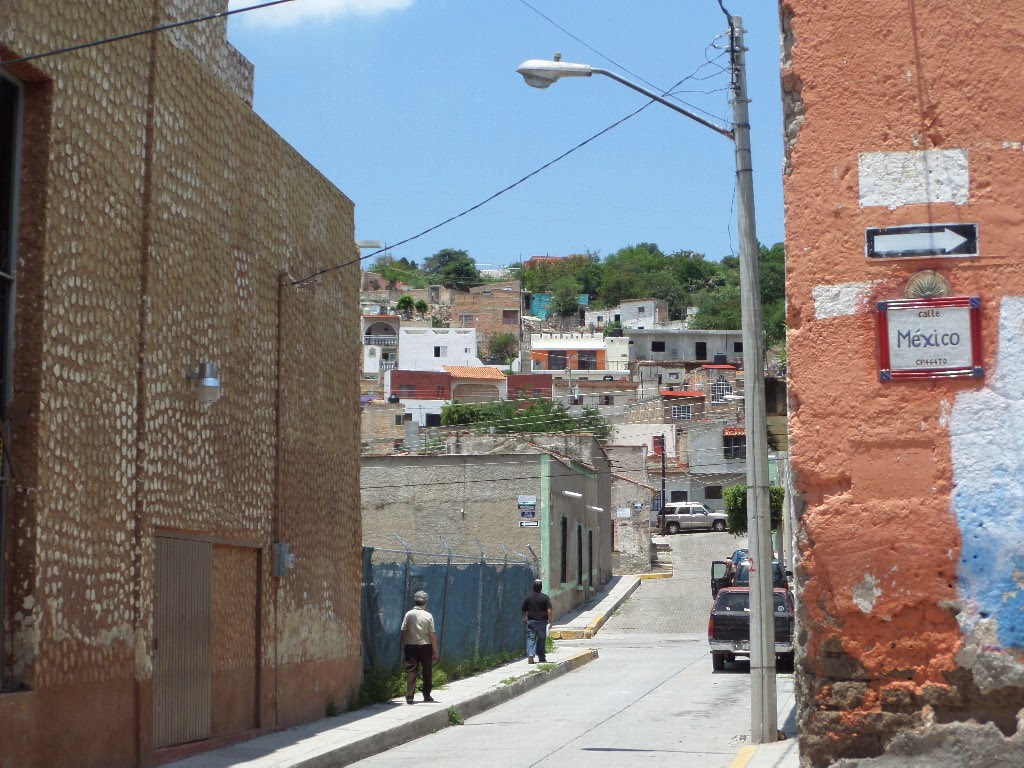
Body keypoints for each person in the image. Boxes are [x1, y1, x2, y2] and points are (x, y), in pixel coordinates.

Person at [400, 590, 438, 704]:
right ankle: (427, 695)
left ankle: (410, 696)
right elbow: (432, 635)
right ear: (425, 601)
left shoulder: (409, 614)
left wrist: (404, 644)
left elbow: (404, 631)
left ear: (415, 601)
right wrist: (435, 651)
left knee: (411, 671)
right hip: (425, 646)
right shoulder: (428, 616)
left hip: (411, 646)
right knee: (427, 671)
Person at [521, 578, 553, 664]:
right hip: (542, 622)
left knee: (531, 638)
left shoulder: (529, 597)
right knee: (542, 639)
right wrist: (550, 621)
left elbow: (524, 610)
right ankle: (541, 657)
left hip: (531, 622)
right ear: (541, 587)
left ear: (533, 587)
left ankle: (531, 654)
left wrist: (525, 618)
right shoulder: (545, 597)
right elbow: (549, 610)